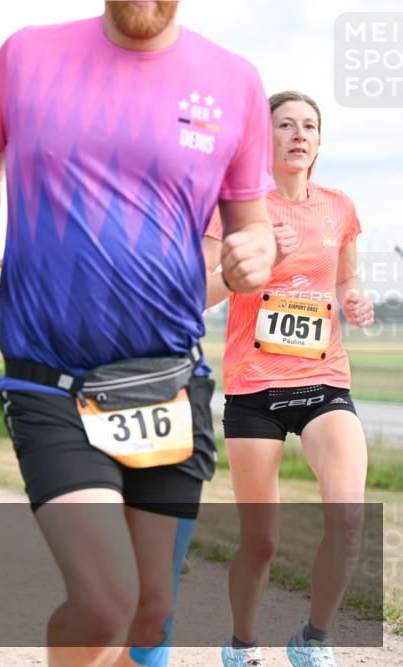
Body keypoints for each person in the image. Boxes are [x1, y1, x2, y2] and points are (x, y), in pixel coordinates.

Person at [0, 3, 277, 666]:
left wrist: (257, 252)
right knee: (105, 601)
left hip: (168, 384)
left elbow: (254, 221)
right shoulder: (26, 53)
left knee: (151, 614)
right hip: (50, 378)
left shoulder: (235, 80)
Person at [204, 91, 374, 667]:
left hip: (325, 380)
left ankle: (313, 640)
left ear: (320, 143)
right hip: (254, 388)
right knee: (262, 541)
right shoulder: (233, 210)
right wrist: (246, 266)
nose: (299, 134)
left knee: (349, 521)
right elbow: (196, 296)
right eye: (285, 124)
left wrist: (353, 301)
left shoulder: (338, 208)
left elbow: (344, 279)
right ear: (263, 139)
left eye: (309, 126)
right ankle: (242, 644)